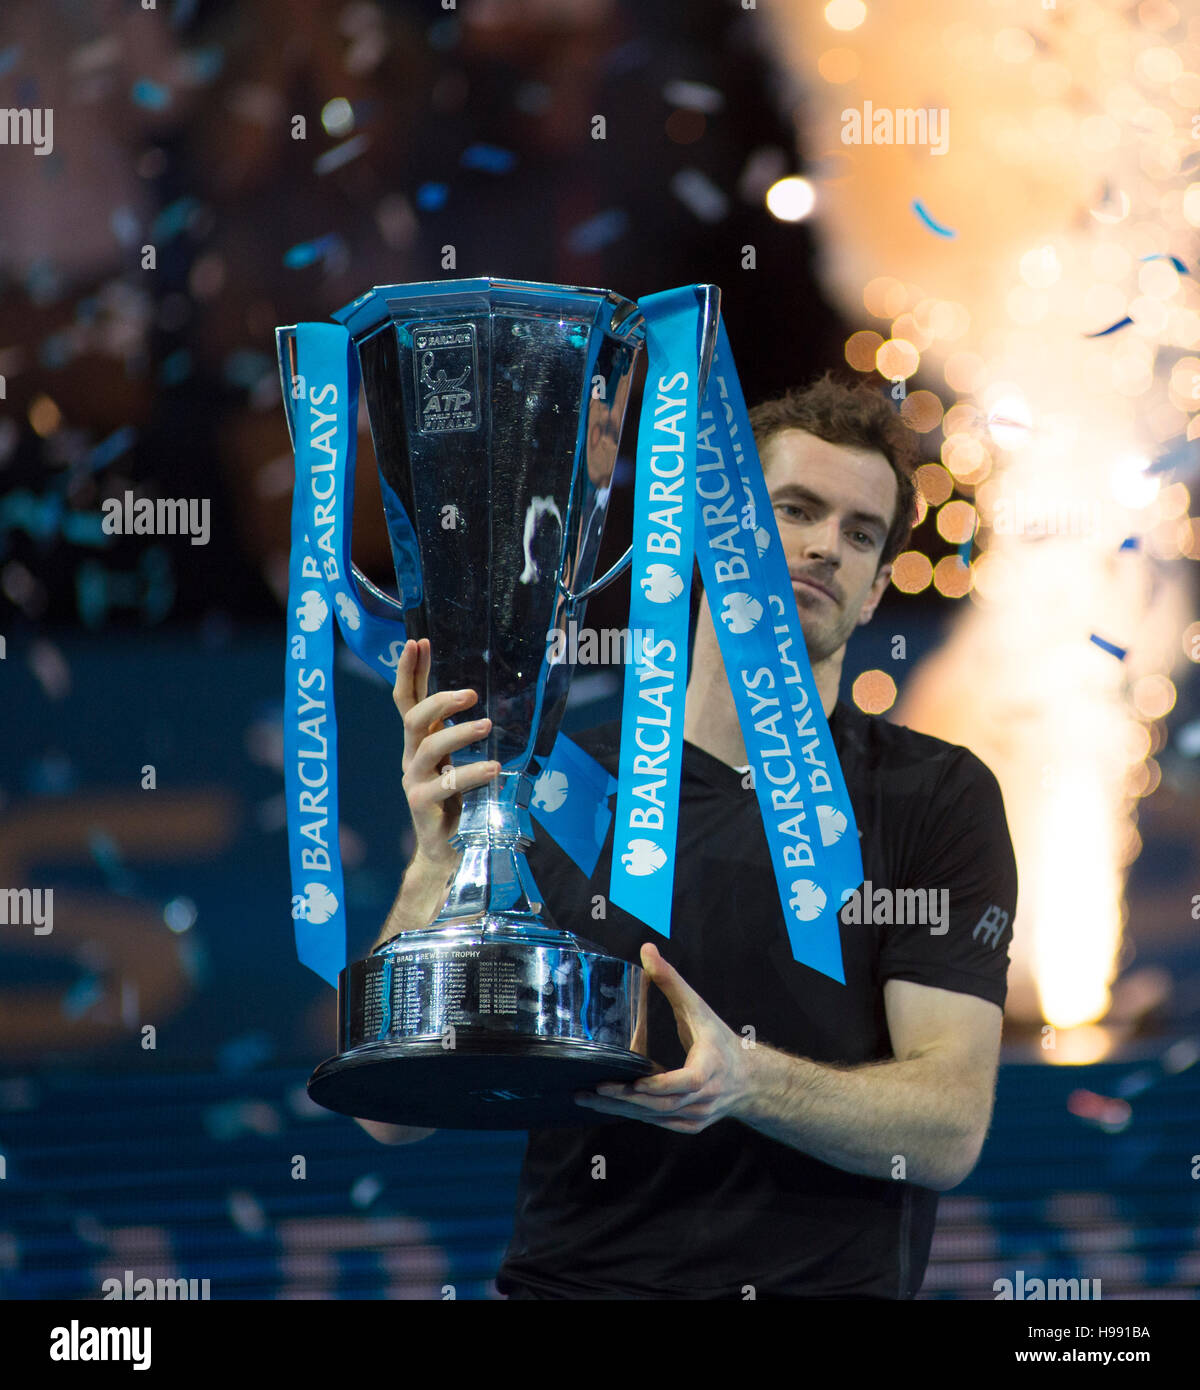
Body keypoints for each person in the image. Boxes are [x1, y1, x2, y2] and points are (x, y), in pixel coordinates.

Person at [356, 372, 1018, 1300]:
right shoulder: (556, 780)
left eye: (862, 534)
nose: (827, 545)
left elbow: (949, 1127)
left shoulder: (933, 796)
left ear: (875, 593)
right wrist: (436, 859)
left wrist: (747, 1082)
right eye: (795, 509)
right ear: (712, 534)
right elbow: (394, 1116)